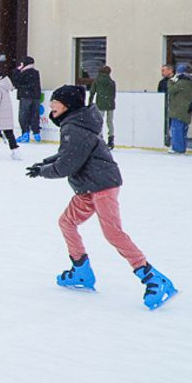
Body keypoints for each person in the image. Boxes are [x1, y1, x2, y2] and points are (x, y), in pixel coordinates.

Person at [25, 85, 176, 310]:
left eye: (54, 102)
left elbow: (67, 164)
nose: (50, 106)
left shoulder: (74, 127)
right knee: (67, 222)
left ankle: (153, 277)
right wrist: (44, 164)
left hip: (102, 185)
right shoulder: (76, 123)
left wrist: (43, 172)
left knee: (113, 233)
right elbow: (68, 154)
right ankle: (81, 270)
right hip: (88, 187)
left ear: (67, 105)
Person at [166, 64, 192, 155]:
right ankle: (181, 148)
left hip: (178, 111)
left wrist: (171, 81)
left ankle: (178, 148)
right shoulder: (190, 83)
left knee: (177, 130)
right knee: (182, 130)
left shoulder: (182, 83)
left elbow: (171, 90)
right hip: (185, 111)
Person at [12, 56, 43, 143]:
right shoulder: (36, 73)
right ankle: (36, 133)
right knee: (35, 115)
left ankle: (25, 134)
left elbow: (16, 82)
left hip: (25, 96)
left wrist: (17, 70)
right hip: (36, 97)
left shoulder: (23, 73)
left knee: (23, 116)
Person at [88, 65, 117, 149]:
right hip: (110, 104)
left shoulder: (97, 81)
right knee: (110, 122)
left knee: (99, 121)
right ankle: (111, 140)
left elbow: (92, 92)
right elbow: (113, 95)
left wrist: (90, 103)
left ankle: (100, 139)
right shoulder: (112, 82)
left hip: (100, 104)